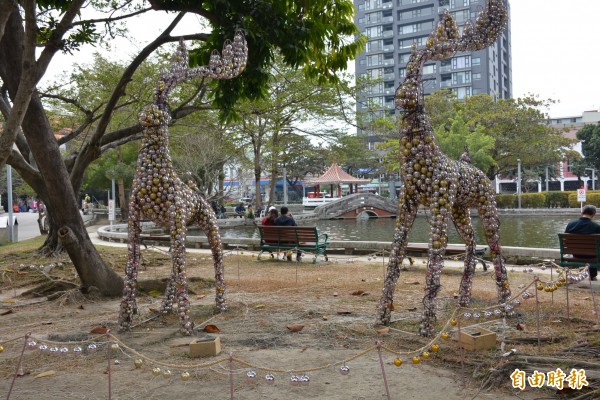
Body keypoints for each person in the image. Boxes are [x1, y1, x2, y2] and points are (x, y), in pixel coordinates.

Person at [565, 204, 600, 280]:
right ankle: (592, 276)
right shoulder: (597, 227)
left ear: (582, 213)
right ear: (594, 214)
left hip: (576, 254)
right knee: (594, 252)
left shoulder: (570, 225)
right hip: (592, 256)